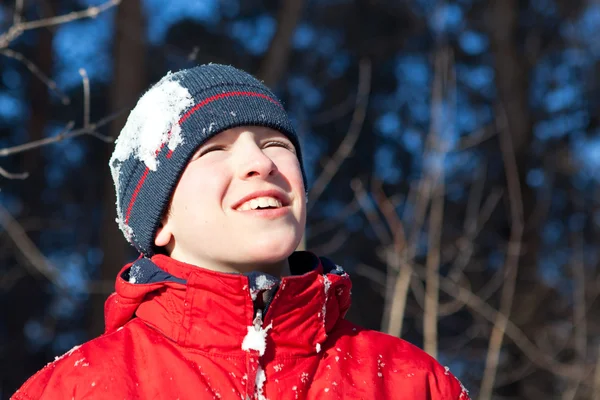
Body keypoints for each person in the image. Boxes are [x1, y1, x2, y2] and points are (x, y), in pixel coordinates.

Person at [12, 64, 469, 400]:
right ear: (160, 219)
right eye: (213, 149)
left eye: (276, 144)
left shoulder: (411, 382)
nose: (261, 162)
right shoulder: (76, 389)